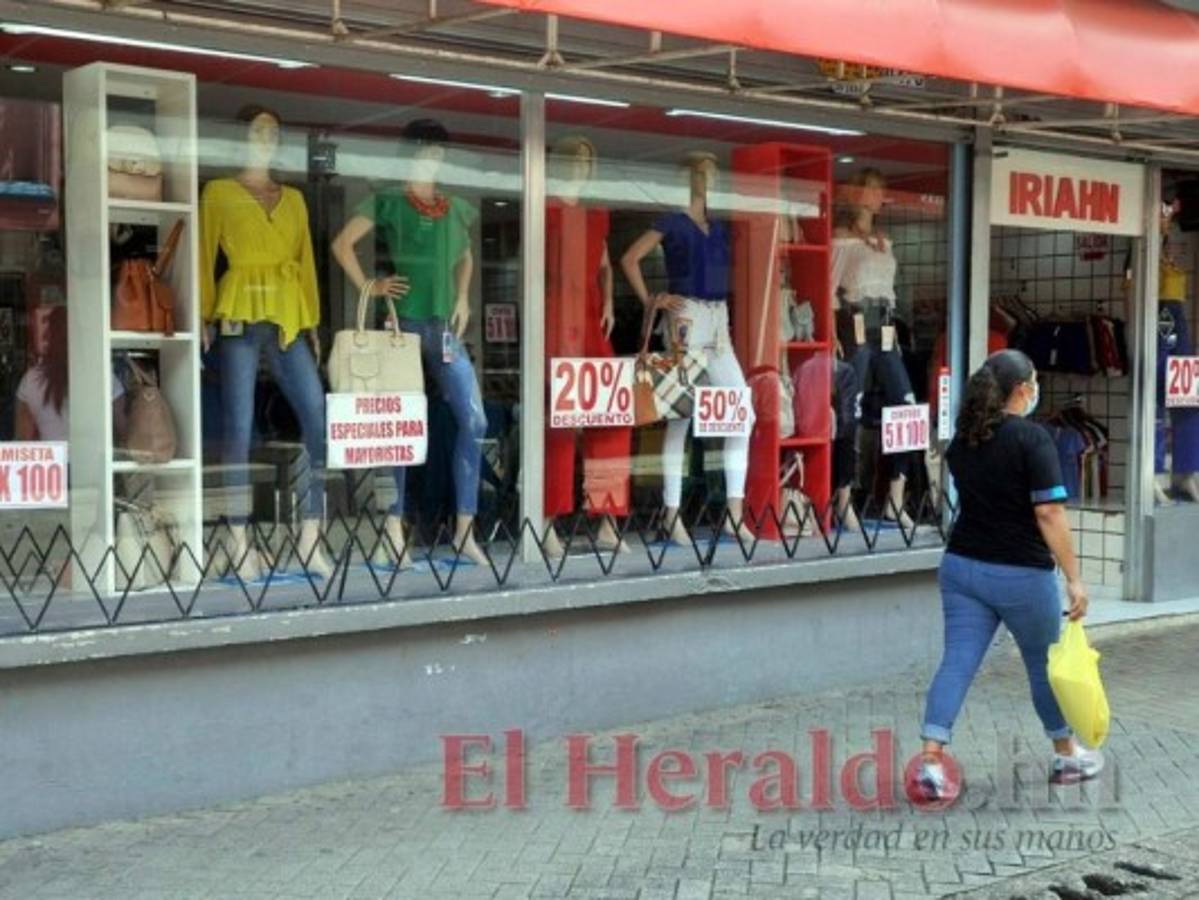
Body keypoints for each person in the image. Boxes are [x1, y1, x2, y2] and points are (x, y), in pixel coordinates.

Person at [917, 349, 1103, 799]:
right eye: (1035, 381)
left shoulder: (965, 439)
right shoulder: (1033, 439)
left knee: (958, 661)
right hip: (1021, 574)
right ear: (1023, 389)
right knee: (1043, 665)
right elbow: (1049, 511)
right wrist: (1074, 577)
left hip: (962, 567)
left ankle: (930, 761)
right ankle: (1067, 755)